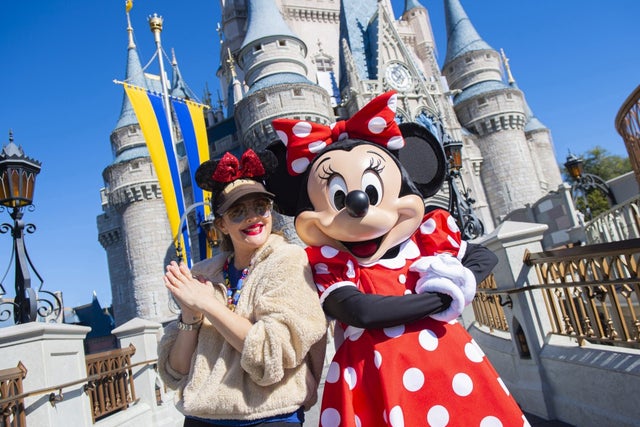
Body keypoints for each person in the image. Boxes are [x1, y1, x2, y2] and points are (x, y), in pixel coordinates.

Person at [270, 91, 528, 426]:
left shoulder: (422, 242)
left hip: (451, 369)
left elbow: (481, 257)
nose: (359, 204)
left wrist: (455, 279)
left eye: (371, 193)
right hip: (376, 377)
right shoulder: (332, 264)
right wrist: (440, 299)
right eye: (338, 198)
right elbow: (361, 311)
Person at [157, 148, 328, 427]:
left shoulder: (287, 261)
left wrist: (208, 305)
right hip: (202, 418)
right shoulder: (204, 274)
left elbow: (270, 356)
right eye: (238, 212)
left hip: (268, 416)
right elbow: (175, 371)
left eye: (260, 207)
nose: (253, 217)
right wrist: (190, 315)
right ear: (222, 224)